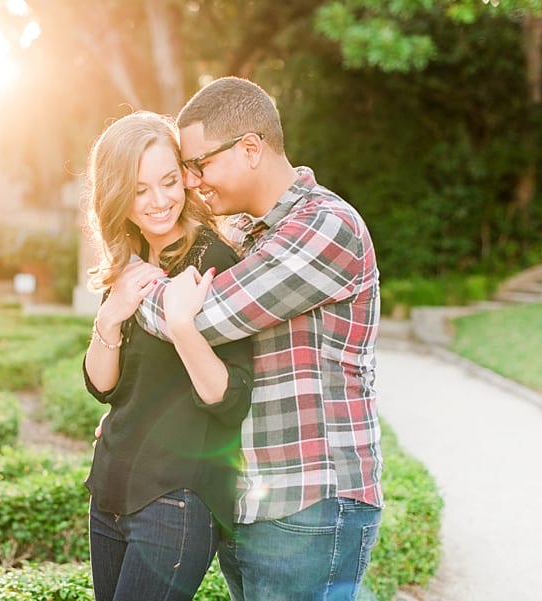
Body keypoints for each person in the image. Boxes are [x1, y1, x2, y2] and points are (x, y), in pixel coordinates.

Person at [128, 77, 385, 600]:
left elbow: (207, 318)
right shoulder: (246, 235)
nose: (194, 181)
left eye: (200, 164)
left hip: (311, 501)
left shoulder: (326, 226)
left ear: (250, 148)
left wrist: (128, 288)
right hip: (254, 500)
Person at [82, 110, 253, 601]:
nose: (159, 201)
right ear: (117, 195)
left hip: (176, 498)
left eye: (168, 181)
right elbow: (104, 386)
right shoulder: (129, 261)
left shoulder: (213, 263)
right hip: (111, 486)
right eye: (139, 190)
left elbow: (230, 397)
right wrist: (111, 316)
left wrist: (182, 326)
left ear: (185, 178)